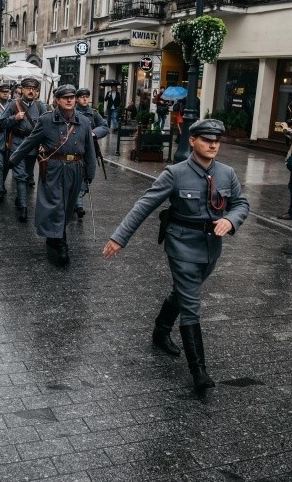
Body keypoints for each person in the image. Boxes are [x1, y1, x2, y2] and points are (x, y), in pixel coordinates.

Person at [102, 119, 249, 392]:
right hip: (181, 247)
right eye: (207, 139)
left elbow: (241, 203)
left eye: (217, 140)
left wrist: (231, 220)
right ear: (192, 141)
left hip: (211, 249)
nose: (213, 144)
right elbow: (143, 205)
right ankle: (199, 372)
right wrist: (119, 238)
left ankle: (160, 330)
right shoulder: (175, 173)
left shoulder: (227, 173)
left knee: (183, 292)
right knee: (191, 303)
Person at [9, 84, 96, 263]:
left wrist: (90, 172)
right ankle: (62, 243)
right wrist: (12, 160)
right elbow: (30, 141)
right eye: (65, 97)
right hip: (54, 168)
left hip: (76, 168)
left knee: (68, 206)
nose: (70, 100)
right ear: (56, 100)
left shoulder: (84, 121)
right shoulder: (46, 120)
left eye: (72, 97)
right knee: (57, 205)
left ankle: (53, 236)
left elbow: (89, 150)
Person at [0, 77, 49, 221]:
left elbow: (47, 127)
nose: (31, 91)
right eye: (28, 88)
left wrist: (43, 143)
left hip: (33, 146)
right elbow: (1, 124)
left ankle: (21, 198)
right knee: (20, 176)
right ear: (22, 90)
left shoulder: (41, 107)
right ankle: (23, 207)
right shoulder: (14, 105)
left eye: (34, 89)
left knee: (27, 175)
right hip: (17, 144)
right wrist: (14, 118)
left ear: (37, 92)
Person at [74, 87, 109, 217]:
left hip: (90, 150)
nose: (85, 99)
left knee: (88, 174)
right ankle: (78, 204)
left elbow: (105, 127)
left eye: (86, 97)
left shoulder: (93, 113)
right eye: (82, 97)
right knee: (77, 174)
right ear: (77, 99)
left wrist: (94, 133)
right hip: (75, 149)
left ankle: (77, 198)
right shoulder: (72, 111)